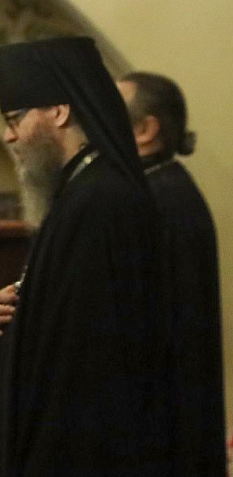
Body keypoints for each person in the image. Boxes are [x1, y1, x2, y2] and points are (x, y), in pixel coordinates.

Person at [0, 37, 170, 476]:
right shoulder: (80, 193)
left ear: (59, 112)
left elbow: (88, 358)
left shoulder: (101, 201)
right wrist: (5, 312)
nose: (8, 135)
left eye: (15, 119)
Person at [117, 72, 225, 476]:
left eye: (112, 110)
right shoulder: (159, 188)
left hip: (163, 426)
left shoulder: (160, 198)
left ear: (145, 130)